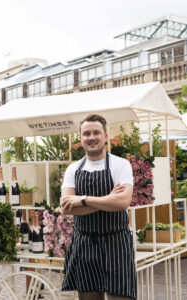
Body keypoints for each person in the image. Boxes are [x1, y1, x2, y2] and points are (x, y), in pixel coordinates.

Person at [60, 114, 136, 300]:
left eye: (96, 132)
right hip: (84, 243)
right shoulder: (73, 169)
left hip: (116, 242)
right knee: (89, 297)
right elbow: (67, 207)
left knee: (120, 296)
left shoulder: (121, 165)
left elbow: (122, 202)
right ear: (81, 138)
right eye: (86, 133)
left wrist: (83, 199)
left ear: (105, 136)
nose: (91, 137)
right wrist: (108, 199)